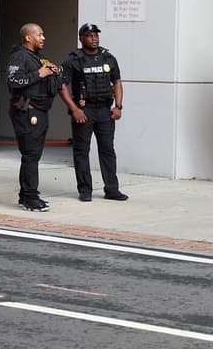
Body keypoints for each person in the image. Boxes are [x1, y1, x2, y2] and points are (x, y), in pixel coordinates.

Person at [59, 23, 128, 202]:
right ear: (81, 39)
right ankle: (85, 190)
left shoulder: (108, 58)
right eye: (90, 35)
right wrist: (74, 109)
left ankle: (112, 189)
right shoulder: (72, 60)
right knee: (81, 151)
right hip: (84, 110)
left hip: (105, 111)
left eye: (96, 35)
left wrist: (118, 106)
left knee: (107, 151)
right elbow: (62, 86)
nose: (94, 38)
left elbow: (117, 82)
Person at [7, 23, 61, 212]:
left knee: (33, 155)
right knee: (30, 155)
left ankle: (26, 195)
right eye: (39, 34)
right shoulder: (19, 56)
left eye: (43, 34)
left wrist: (54, 71)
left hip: (40, 111)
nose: (43, 38)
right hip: (27, 112)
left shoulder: (38, 57)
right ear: (28, 38)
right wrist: (40, 73)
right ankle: (30, 198)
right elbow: (14, 81)